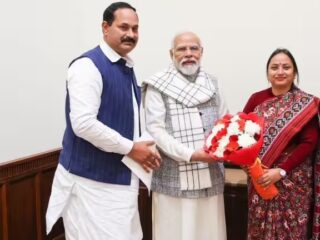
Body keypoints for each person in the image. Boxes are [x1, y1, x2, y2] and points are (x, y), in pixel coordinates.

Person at [45, 2, 161, 240]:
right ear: (105, 27)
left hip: (119, 183)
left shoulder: (124, 66)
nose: (131, 34)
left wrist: (146, 146)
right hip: (91, 183)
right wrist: (131, 148)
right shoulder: (87, 66)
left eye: (136, 29)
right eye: (124, 27)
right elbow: (83, 124)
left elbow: (129, 119)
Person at [143, 31, 228, 240]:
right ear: (171, 53)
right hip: (173, 176)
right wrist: (191, 154)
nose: (188, 54)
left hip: (211, 172)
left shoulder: (213, 83)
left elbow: (225, 122)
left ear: (201, 52)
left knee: (210, 232)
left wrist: (219, 149)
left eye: (194, 48)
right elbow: (156, 130)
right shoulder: (157, 85)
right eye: (182, 49)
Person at [243, 48, 320, 240]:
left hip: (292, 178)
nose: (280, 71)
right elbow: (242, 135)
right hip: (260, 178)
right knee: (259, 229)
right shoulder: (256, 99)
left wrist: (281, 171)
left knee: (292, 233)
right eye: (274, 67)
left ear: (294, 73)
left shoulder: (305, 104)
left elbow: (309, 142)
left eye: (286, 67)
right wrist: (252, 167)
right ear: (268, 74)